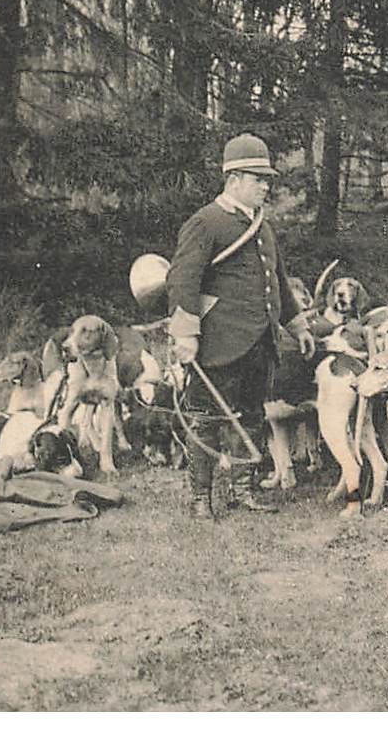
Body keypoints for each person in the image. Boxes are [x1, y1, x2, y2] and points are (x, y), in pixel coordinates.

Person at [167, 133, 315, 519]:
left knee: (251, 415)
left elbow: (277, 280)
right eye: (257, 179)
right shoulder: (205, 222)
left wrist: (297, 325)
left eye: (267, 179)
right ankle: (201, 498)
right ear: (233, 180)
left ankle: (243, 490)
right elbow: (183, 281)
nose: (266, 186)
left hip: (258, 342)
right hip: (217, 342)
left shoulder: (262, 226)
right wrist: (186, 335)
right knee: (207, 418)